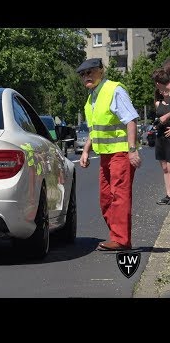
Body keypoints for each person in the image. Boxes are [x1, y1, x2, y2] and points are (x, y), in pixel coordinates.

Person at [77, 58, 141, 251]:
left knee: (119, 196)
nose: (86, 77)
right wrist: (85, 151)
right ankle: (116, 236)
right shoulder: (92, 98)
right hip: (105, 155)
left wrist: (132, 150)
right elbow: (94, 130)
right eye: (83, 74)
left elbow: (131, 120)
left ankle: (121, 240)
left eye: (90, 72)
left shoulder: (114, 90)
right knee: (105, 198)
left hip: (121, 153)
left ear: (101, 71)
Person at [151, 68, 170, 204]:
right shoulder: (158, 102)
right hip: (161, 137)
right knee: (164, 168)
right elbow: (158, 119)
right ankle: (168, 195)